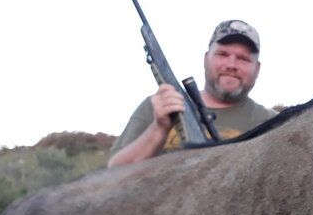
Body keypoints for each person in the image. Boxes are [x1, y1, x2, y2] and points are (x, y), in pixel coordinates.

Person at [108, 20, 277, 166]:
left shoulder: (274, 124)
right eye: (222, 54)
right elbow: (113, 175)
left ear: (257, 68)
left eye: (243, 58)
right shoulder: (157, 106)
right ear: (205, 58)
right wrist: (159, 129)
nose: (231, 64)